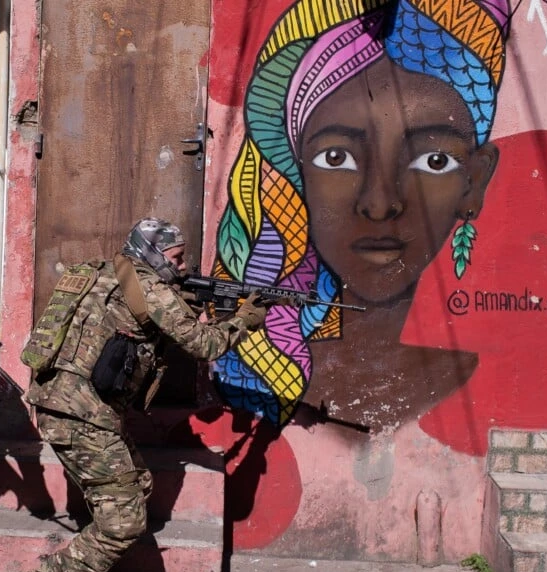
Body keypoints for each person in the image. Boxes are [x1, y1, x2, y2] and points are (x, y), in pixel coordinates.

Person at [210, 0, 509, 429]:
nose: (380, 204)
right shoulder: (270, 365)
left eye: (433, 161)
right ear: (296, 173)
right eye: (335, 158)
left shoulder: (469, 374)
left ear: (475, 182)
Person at [3, 218, 269, 572]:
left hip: (66, 405)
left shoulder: (101, 272)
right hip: (83, 416)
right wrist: (244, 319)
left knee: (138, 486)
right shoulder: (151, 288)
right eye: (176, 258)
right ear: (150, 252)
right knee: (123, 524)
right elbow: (204, 345)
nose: (182, 266)